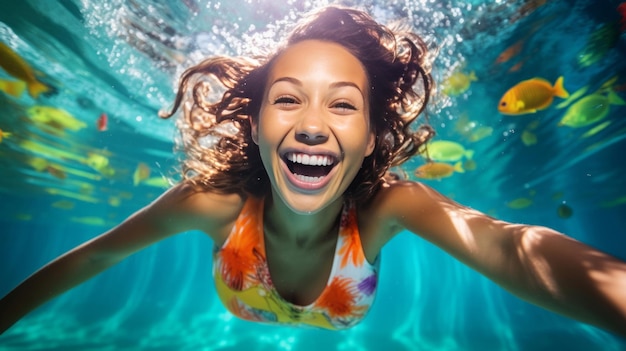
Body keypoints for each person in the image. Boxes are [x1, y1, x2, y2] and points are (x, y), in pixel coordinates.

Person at [1, 5, 625, 335]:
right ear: (254, 125)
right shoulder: (213, 203)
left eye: (344, 104)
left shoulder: (386, 207)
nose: (311, 123)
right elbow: (93, 258)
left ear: (373, 134)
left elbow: (510, 248)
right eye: (289, 97)